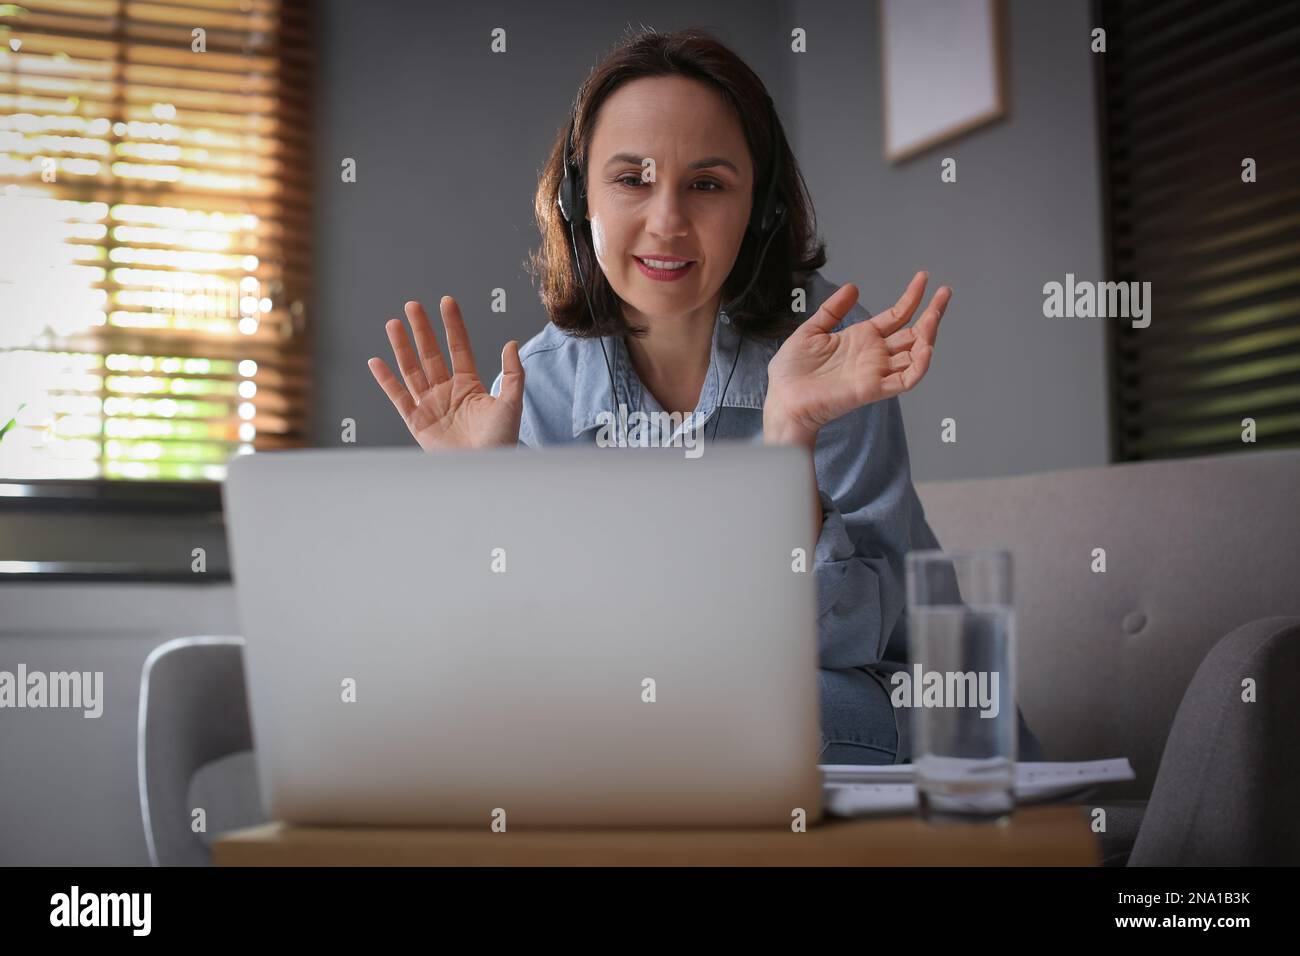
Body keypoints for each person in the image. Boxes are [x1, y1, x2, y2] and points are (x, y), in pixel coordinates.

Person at [367, 28, 1044, 765]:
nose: (667, 221)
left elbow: (841, 639)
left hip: (895, 714)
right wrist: (479, 502)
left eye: (708, 183)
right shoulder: (532, 394)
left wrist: (791, 434)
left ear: (761, 208)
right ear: (575, 199)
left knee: (736, 709)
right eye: (631, 179)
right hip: (659, 737)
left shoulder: (828, 356)